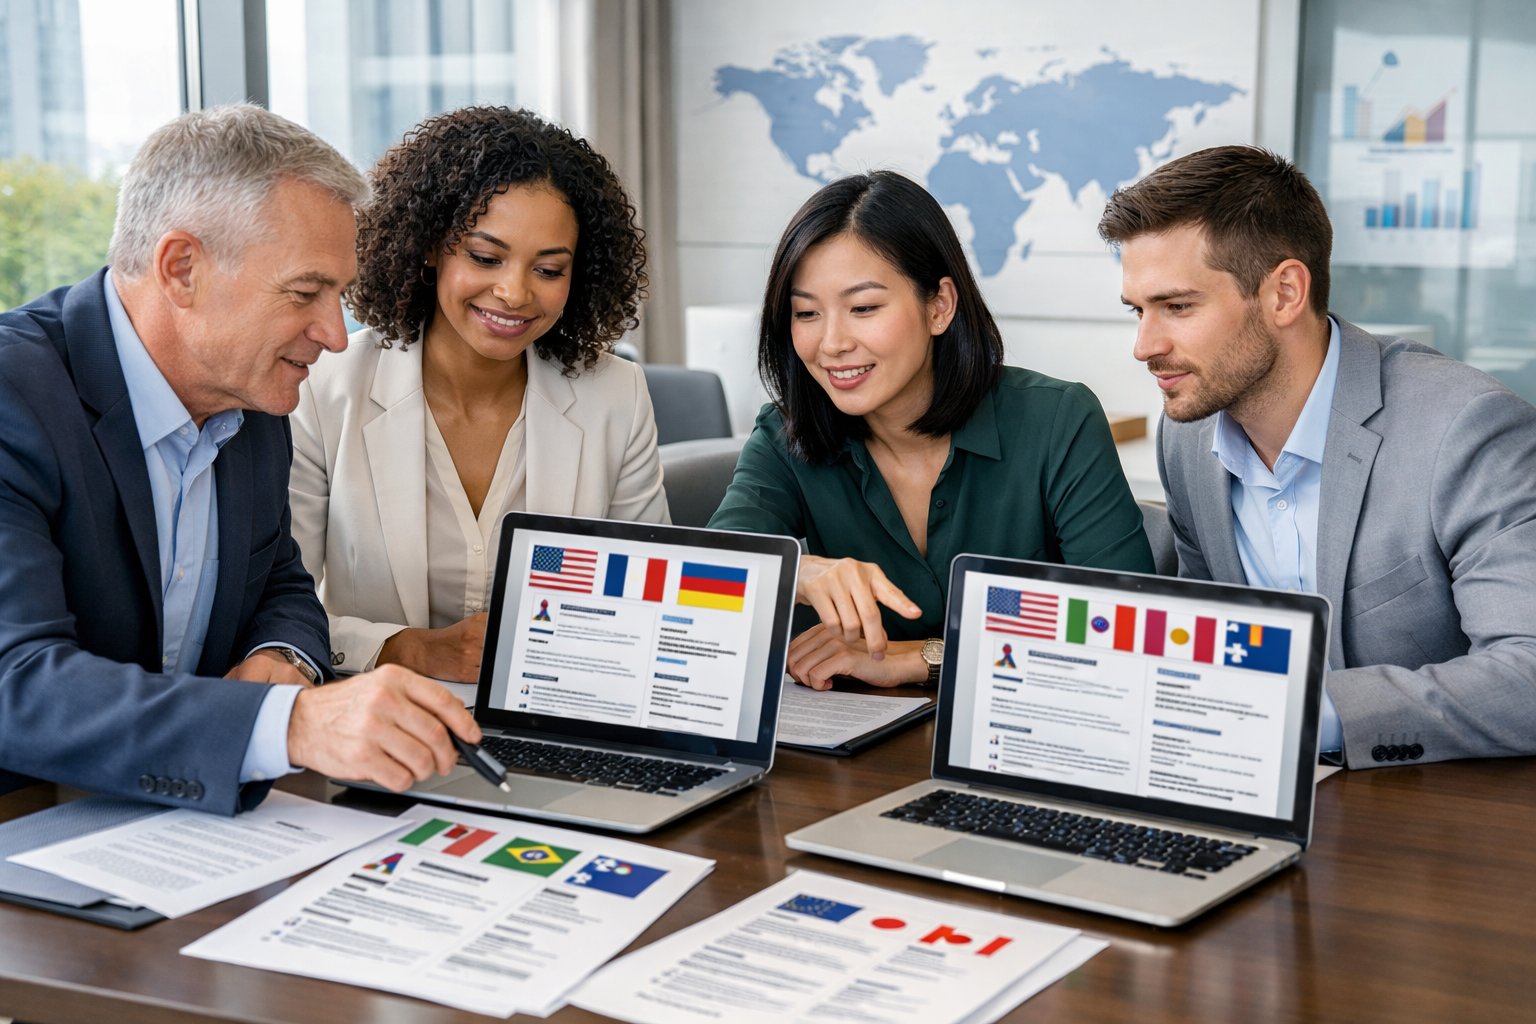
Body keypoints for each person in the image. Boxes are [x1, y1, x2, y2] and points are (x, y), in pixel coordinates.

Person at [0, 105, 479, 814]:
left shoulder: (250, 397)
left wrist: (282, 661)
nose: (333, 335)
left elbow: (281, 586)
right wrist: (288, 724)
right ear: (182, 268)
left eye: (339, 295)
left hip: (181, 824)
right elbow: (18, 687)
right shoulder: (15, 397)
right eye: (305, 293)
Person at [1099, 144, 1536, 768]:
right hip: (1252, 790)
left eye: (1177, 306)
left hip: (1430, 816)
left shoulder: (1464, 430)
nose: (1144, 346)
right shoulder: (1190, 433)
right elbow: (1206, 637)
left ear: (1284, 293)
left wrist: (1300, 712)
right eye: (1137, 311)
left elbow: (1528, 677)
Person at [710, 171, 1153, 691]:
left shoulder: (1057, 421)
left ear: (939, 305)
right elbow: (705, 577)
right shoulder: (787, 435)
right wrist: (797, 572)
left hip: (1024, 742)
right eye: (806, 313)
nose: (831, 343)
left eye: (863, 308)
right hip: (843, 756)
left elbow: (1128, 627)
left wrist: (923, 657)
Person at [289, 106, 666, 683]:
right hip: (377, 715)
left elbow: (647, 602)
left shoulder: (617, 396)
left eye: (548, 269)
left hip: (556, 714)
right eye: (485, 258)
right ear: (431, 245)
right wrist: (407, 649)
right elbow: (276, 605)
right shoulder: (324, 388)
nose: (514, 292)